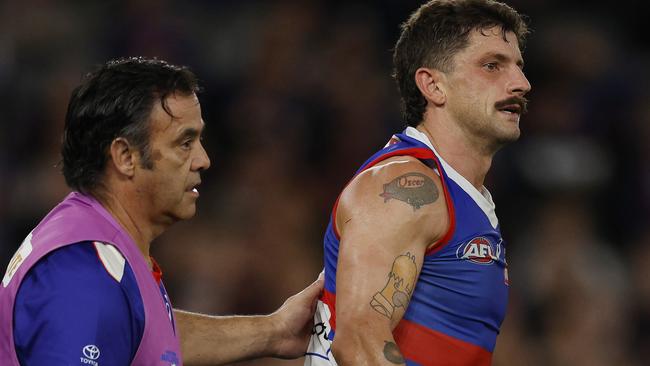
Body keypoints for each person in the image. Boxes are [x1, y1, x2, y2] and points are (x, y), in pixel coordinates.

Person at [0, 57, 323, 366]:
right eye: (185, 143)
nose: (203, 159)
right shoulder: (85, 277)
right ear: (125, 156)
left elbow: (142, 332)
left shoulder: (96, 240)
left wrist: (275, 332)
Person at [305, 0, 531, 365]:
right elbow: (360, 343)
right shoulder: (405, 187)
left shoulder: (462, 195)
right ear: (433, 86)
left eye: (519, 67)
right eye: (492, 66)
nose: (521, 84)